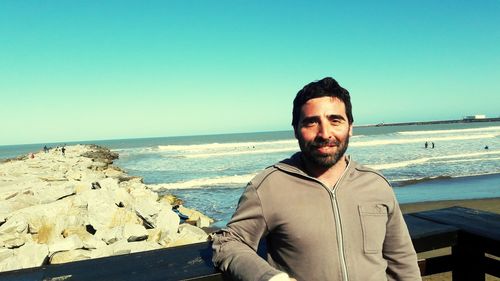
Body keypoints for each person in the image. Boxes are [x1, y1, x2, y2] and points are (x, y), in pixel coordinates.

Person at [212, 77, 421, 281]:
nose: (324, 133)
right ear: (296, 130)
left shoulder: (375, 184)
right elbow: (228, 243)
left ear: (350, 127)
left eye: (335, 120)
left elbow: (401, 259)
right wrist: (271, 278)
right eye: (311, 122)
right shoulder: (269, 186)